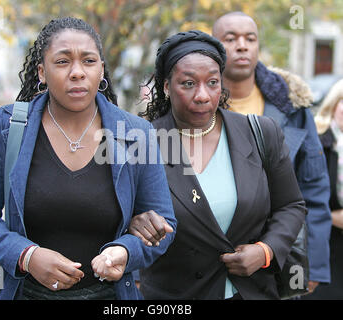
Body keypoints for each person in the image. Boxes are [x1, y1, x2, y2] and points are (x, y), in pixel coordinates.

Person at [0, 17, 176, 300]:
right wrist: (27, 256)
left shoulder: (136, 133)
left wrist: (125, 251)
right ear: (42, 72)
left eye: (88, 61)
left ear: (101, 71)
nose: (77, 72)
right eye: (62, 62)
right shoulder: (9, 125)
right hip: (25, 293)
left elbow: (163, 224)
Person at [130, 30, 307, 300]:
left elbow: (291, 205)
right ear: (166, 86)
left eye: (212, 82)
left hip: (249, 292)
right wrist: (134, 222)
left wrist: (265, 251)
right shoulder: (141, 143)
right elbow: (115, 215)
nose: (202, 95)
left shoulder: (260, 132)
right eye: (188, 84)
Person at [211, 11, 332, 294]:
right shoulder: (194, 106)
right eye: (231, 39)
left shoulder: (293, 108)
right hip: (209, 257)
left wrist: (314, 264)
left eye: (250, 39)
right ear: (213, 48)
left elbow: (313, 189)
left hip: (281, 257)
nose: (242, 45)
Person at [302, 79, 343, 299]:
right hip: (324, 247)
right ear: (334, 104)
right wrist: (333, 217)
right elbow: (302, 197)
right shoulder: (316, 143)